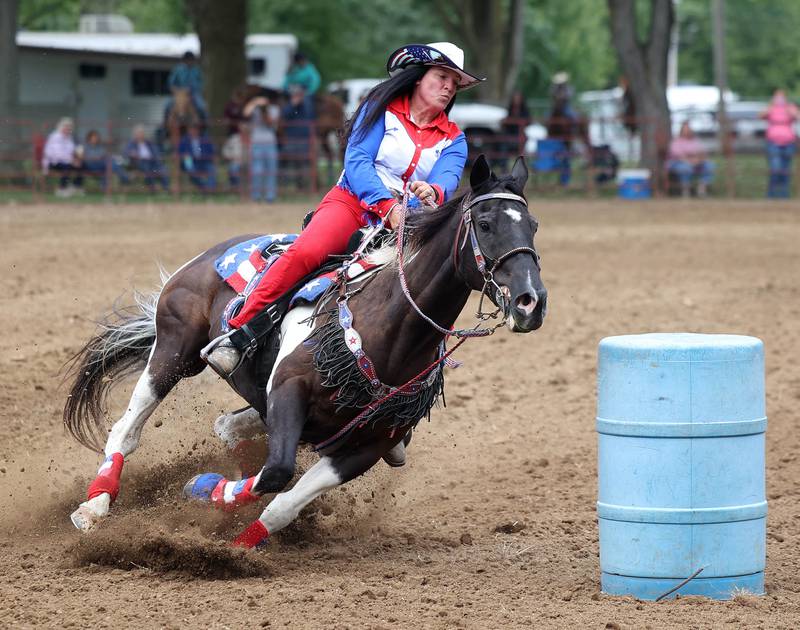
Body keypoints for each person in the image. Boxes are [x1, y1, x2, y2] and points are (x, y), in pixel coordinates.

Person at [205, 41, 481, 381]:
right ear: (418, 78)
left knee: (435, 282)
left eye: (454, 84)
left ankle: (418, 377)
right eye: (442, 77)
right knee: (308, 252)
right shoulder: (380, 111)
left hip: (412, 220)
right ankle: (237, 332)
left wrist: (434, 190)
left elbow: (448, 177)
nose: (448, 87)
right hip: (353, 204)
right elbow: (358, 162)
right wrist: (387, 206)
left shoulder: (454, 139)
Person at [761, 89, 799, 198]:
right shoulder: (771, 108)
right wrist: (771, 107)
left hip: (788, 142)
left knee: (786, 169)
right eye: (777, 97)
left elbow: (797, 116)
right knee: (775, 168)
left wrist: (789, 109)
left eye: (782, 97)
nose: (779, 99)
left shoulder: (790, 107)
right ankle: (771, 195)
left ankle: (784, 195)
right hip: (773, 142)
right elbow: (760, 115)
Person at [243, 95, 279, 202]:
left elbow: (270, 122)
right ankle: (256, 196)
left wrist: (265, 110)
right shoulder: (254, 108)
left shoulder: (274, 109)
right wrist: (254, 102)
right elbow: (245, 113)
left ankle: (270, 196)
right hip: (256, 142)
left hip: (270, 142)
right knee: (257, 170)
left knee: (271, 170)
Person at [667, 121, 714, 197]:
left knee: (709, 165)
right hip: (679, 162)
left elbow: (702, 152)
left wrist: (698, 160)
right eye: (685, 130)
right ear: (681, 131)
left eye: (688, 129)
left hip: (696, 162)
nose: (687, 131)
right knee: (685, 168)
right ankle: (686, 190)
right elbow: (678, 156)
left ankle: (702, 189)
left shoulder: (695, 141)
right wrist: (690, 161)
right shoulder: (676, 141)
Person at [281, 85, 314, 190]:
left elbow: (311, 117)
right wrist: (293, 105)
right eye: (296, 94)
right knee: (291, 164)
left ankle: (304, 187)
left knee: (304, 164)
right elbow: (285, 115)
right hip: (292, 140)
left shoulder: (307, 105)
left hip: (304, 140)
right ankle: (290, 187)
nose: (298, 97)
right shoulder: (288, 106)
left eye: (299, 94)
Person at [42, 117, 83, 197]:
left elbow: (75, 149)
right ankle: (61, 189)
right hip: (53, 162)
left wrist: (78, 157)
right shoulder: (55, 137)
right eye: (66, 127)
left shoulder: (69, 138)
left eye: (69, 127)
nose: (68, 129)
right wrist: (72, 160)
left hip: (66, 161)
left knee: (81, 165)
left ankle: (76, 187)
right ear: (61, 127)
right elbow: (57, 154)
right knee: (66, 167)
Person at [124, 125, 170, 192]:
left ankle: (166, 189)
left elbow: (156, 152)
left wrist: (156, 157)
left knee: (163, 169)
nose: (140, 135)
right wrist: (132, 153)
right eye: (138, 133)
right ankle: (153, 188)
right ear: (135, 135)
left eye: (141, 133)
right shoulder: (131, 143)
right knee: (148, 169)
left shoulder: (149, 143)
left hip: (153, 161)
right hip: (140, 162)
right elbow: (126, 152)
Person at [178, 124, 216, 193]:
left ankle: (211, 189)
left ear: (198, 131)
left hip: (204, 161)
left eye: (195, 129)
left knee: (211, 169)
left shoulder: (205, 140)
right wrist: (185, 156)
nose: (193, 131)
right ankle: (204, 187)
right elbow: (180, 153)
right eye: (191, 130)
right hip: (190, 161)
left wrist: (208, 157)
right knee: (191, 169)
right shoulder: (184, 140)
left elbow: (212, 152)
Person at [282, 52, 321, 117]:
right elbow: (286, 80)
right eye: (301, 61)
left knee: (306, 101)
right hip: (292, 90)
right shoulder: (293, 69)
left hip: (305, 91)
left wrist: (308, 92)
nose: (303, 62)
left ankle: (308, 119)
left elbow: (315, 81)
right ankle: (286, 117)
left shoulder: (310, 69)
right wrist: (285, 89)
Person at [168, 51, 206, 117]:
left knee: (201, 107)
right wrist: (175, 89)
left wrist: (192, 88)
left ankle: (205, 125)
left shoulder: (196, 70)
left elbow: (201, 83)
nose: (189, 62)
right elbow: (171, 82)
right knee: (167, 105)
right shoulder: (178, 70)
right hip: (180, 94)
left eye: (191, 60)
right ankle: (164, 125)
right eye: (188, 60)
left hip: (193, 94)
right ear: (184, 60)